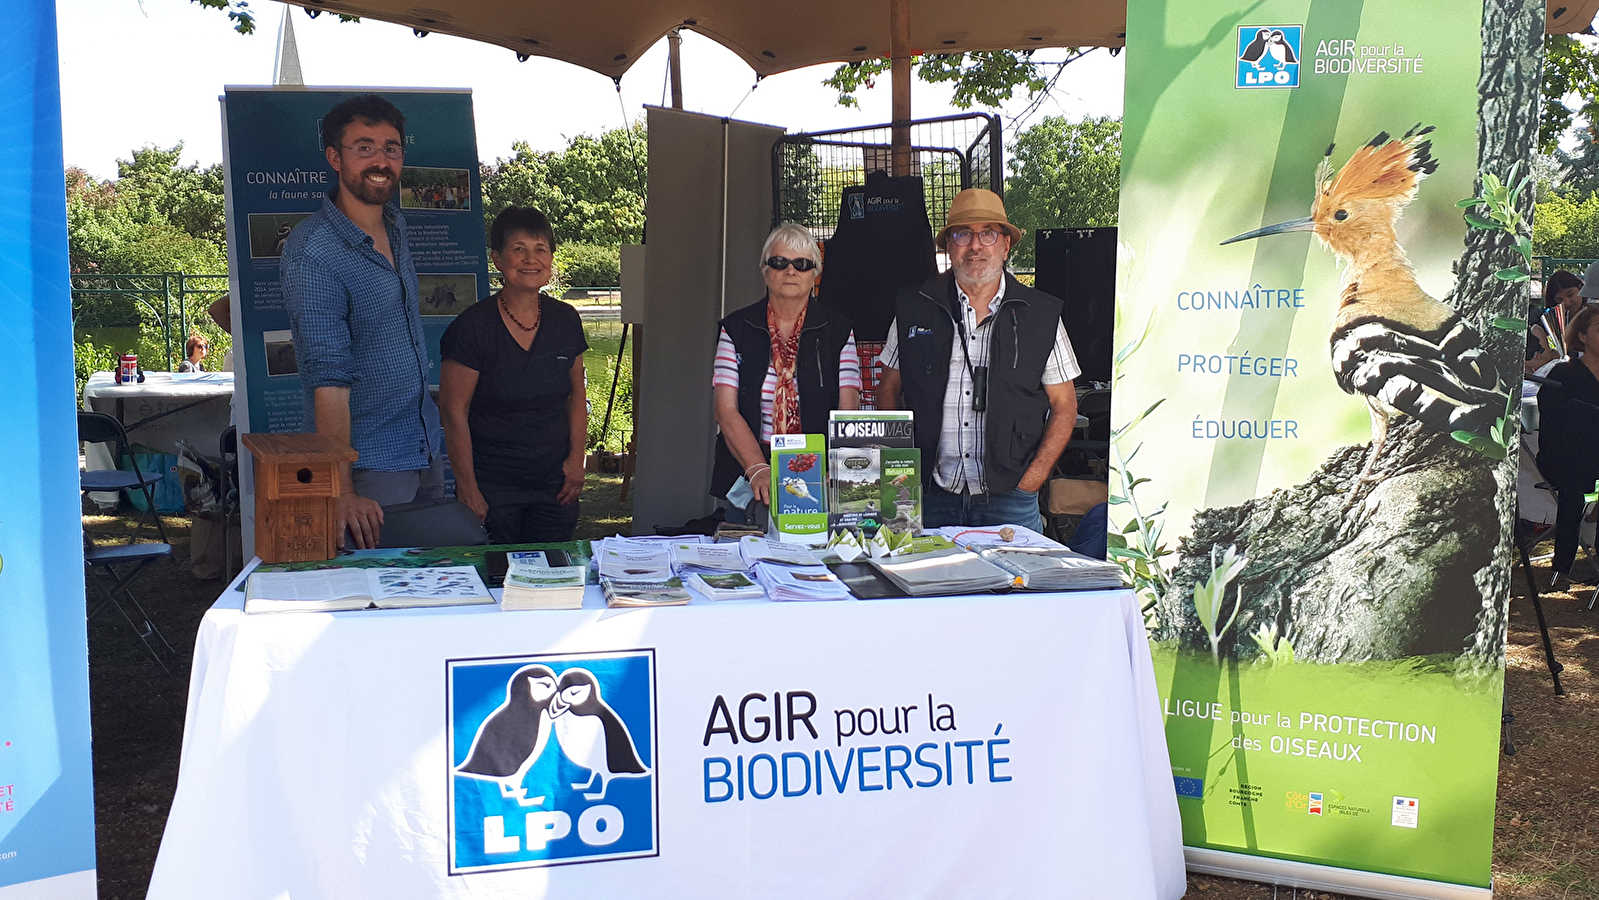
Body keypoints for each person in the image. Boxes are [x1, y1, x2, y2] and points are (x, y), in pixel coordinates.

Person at [280, 94, 445, 549]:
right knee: (377, 586)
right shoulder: (313, 252)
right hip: (369, 470)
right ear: (335, 157)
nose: (381, 161)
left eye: (391, 148)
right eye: (364, 147)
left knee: (433, 580)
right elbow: (327, 380)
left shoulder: (395, 225)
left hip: (423, 448)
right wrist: (342, 490)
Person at [876, 188, 1080, 533]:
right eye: (962, 234)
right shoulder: (914, 306)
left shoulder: (1040, 314)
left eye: (988, 233)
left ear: (1005, 245)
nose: (975, 245)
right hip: (927, 494)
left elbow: (1065, 404)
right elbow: (888, 390)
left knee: (1016, 572)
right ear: (949, 246)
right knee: (925, 570)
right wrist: (903, 471)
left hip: (1011, 497)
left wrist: (1033, 478)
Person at [439, 207, 587, 543]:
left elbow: (576, 396)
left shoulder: (566, 320)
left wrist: (576, 460)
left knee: (554, 570)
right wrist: (468, 487)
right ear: (497, 259)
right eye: (519, 249)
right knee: (497, 573)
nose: (531, 259)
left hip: (555, 485)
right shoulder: (472, 328)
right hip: (493, 487)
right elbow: (453, 411)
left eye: (540, 249)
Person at [712, 223, 861, 522]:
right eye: (780, 262)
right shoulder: (736, 328)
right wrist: (757, 468)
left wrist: (836, 464)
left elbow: (848, 410)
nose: (791, 271)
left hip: (819, 473)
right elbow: (725, 410)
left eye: (802, 264)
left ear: (815, 273)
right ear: (765, 270)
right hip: (749, 474)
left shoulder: (839, 329)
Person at [1537, 304, 1599, 588]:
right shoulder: (1563, 373)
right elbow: (1554, 424)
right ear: (1582, 337)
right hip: (1569, 458)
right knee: (1574, 482)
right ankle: (1561, 568)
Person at [1528, 269, 1583, 373]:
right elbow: (1537, 328)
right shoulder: (1557, 316)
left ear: (1580, 288)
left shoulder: (1592, 312)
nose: (1567, 302)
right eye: (1560, 300)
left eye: (1570, 295)